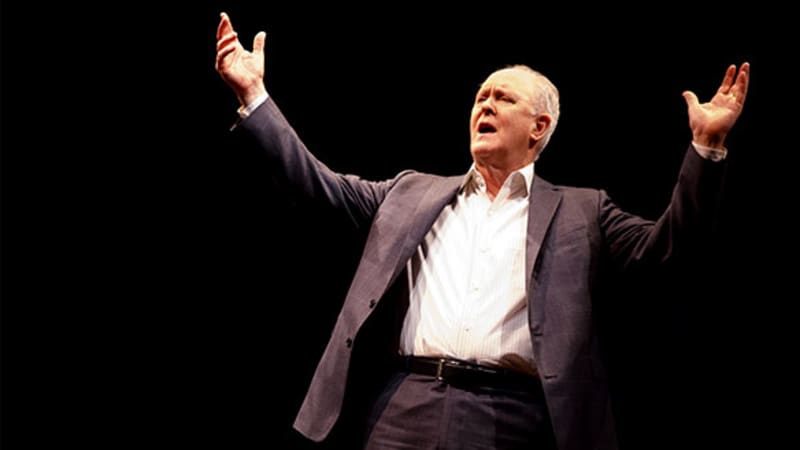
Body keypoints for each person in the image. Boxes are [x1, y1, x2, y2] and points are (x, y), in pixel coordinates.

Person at [214, 11, 749, 450]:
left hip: (518, 417)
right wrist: (255, 97)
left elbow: (670, 252)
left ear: (540, 128)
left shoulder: (585, 211)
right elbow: (316, 185)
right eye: (480, 98)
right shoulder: (409, 191)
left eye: (503, 99)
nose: (484, 105)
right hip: (404, 409)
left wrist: (707, 150)